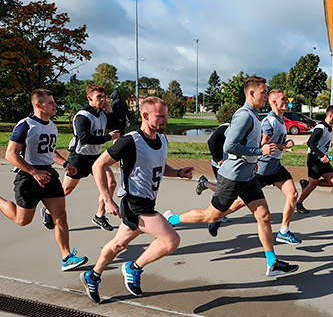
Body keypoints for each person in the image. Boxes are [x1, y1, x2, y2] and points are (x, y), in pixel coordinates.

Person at [163, 76, 299, 277]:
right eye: (263, 92)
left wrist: (255, 159)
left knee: (264, 215)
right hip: (233, 177)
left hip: (248, 177)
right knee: (211, 215)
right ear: (251, 93)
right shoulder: (244, 115)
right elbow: (230, 146)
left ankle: (272, 262)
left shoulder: (254, 115)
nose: (266, 96)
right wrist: (261, 151)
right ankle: (172, 219)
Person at [80, 97, 194, 304]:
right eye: (160, 116)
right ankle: (134, 267)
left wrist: (177, 172)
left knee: (117, 244)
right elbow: (97, 166)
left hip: (148, 203)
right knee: (171, 240)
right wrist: (107, 200)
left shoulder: (162, 140)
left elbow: (157, 167)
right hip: (134, 203)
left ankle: (93, 276)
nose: (165, 120)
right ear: (145, 115)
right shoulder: (130, 141)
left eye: (166, 116)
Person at [0, 89, 88, 271]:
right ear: (39, 105)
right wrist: (33, 172)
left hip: (48, 175)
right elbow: (10, 154)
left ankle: (66, 257)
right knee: (22, 220)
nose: (56, 106)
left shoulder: (51, 125)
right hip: (28, 177)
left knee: (61, 216)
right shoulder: (25, 125)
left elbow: (49, 151)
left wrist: (65, 164)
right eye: (51, 103)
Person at [42, 84, 121, 232]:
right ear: (89, 98)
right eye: (99, 97)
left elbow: (116, 128)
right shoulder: (82, 116)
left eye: (104, 97)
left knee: (111, 183)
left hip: (96, 157)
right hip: (80, 156)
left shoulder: (102, 114)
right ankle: (47, 211)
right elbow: (84, 138)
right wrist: (107, 138)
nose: (102, 100)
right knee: (66, 189)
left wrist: (110, 111)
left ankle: (100, 215)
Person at [295, 105, 333, 214]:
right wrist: (321, 155)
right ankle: (299, 203)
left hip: (323, 159)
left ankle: (306, 183)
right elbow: (310, 143)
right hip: (314, 159)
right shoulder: (320, 128)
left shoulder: (329, 127)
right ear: (330, 115)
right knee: (313, 184)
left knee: (331, 182)